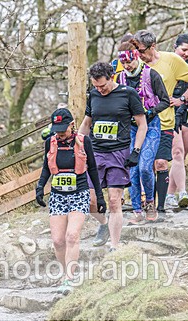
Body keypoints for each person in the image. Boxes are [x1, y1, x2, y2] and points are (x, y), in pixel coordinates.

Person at [130, 30, 188, 213]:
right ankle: (148, 203)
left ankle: (161, 208)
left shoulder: (171, 60)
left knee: (161, 163)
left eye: (141, 50)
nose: (139, 54)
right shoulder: (135, 64)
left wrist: (182, 99)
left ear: (153, 46)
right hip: (140, 124)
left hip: (164, 121)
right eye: (136, 51)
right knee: (145, 167)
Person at [79, 61, 147, 251]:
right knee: (90, 200)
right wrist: (77, 145)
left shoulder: (128, 94)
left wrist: (136, 151)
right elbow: (86, 123)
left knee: (115, 200)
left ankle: (114, 246)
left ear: (112, 77)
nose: (100, 89)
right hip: (95, 153)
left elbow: (142, 124)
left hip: (119, 152)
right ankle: (104, 223)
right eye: (96, 86)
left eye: (103, 85)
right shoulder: (93, 95)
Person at [35, 107, 105, 286]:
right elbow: (46, 167)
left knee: (72, 235)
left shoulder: (84, 141)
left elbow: (92, 169)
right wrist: (40, 187)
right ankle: (66, 270)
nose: (60, 134)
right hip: (58, 196)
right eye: (56, 130)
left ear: (72, 125)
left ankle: (69, 277)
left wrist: (99, 196)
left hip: (79, 193)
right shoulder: (50, 142)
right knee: (58, 241)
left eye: (63, 130)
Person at [115, 46, 170, 223]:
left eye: (129, 62)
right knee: (132, 169)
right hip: (129, 128)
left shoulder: (151, 74)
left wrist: (151, 112)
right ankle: (137, 210)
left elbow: (165, 101)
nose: (127, 66)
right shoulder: (119, 78)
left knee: (145, 167)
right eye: (123, 63)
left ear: (136, 57)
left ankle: (150, 203)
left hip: (150, 125)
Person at [167, 33, 188, 209]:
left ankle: (169, 195)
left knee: (182, 155)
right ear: (175, 48)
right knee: (177, 153)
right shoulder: (168, 64)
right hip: (171, 111)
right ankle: (180, 192)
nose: (186, 54)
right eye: (183, 50)